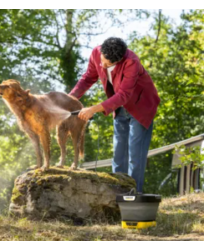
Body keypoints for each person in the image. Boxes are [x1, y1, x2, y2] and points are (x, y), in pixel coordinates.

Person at [69, 37, 160, 193]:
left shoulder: (131, 62)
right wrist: (69, 99)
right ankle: (116, 196)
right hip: (118, 108)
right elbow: (88, 78)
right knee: (118, 156)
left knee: (135, 157)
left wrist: (93, 109)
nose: (103, 65)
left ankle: (133, 196)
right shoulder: (97, 53)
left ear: (118, 60)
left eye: (108, 64)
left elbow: (124, 95)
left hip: (140, 107)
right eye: (103, 60)